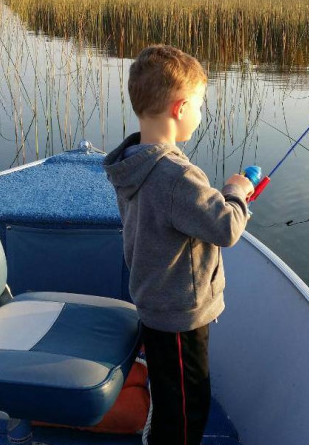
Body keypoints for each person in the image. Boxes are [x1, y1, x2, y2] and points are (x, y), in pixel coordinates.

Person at [103, 45, 254, 445]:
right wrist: (238, 192)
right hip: (181, 316)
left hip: (154, 305)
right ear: (180, 108)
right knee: (188, 410)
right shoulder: (176, 176)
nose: (201, 115)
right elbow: (225, 228)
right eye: (200, 106)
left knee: (172, 396)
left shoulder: (132, 161)